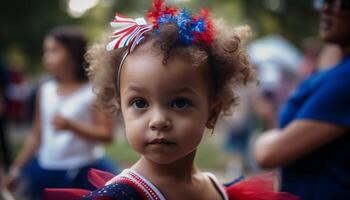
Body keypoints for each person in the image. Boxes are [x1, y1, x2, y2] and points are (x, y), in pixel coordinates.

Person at [44, 1, 298, 199]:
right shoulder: (120, 196)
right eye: (140, 103)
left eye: (179, 103)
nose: (158, 120)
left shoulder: (218, 190)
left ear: (212, 112)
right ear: (121, 108)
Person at [3, 27, 117, 200]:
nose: (46, 57)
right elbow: (36, 135)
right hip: (46, 171)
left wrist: (72, 126)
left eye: (54, 50)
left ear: (73, 53)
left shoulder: (93, 91)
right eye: (46, 51)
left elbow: (107, 135)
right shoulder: (45, 90)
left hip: (82, 171)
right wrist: (16, 170)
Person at [253, 0, 350, 199]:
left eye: (342, 3)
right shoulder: (334, 72)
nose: (326, 9)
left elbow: (269, 154)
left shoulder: (345, 80)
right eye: (325, 1)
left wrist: (264, 139)